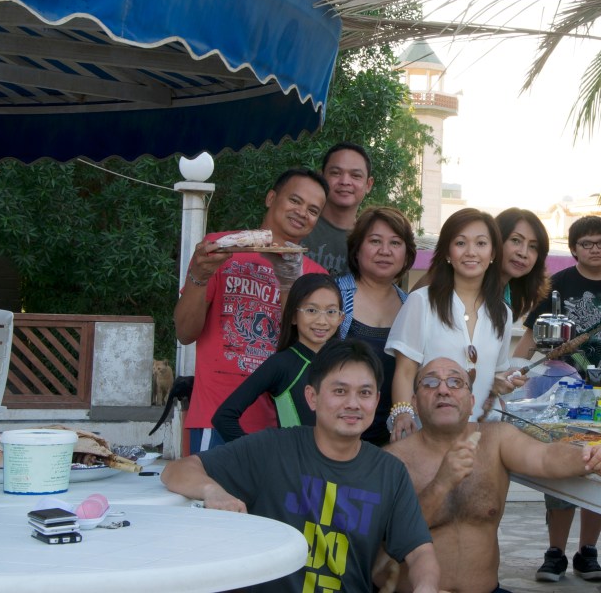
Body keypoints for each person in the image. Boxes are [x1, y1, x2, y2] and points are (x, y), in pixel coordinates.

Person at [161, 340, 442, 593]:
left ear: (377, 400)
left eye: (365, 393)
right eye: (340, 391)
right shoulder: (272, 448)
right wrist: (213, 491)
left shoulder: (389, 472)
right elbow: (177, 470)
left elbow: (419, 552)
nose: (353, 403)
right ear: (312, 397)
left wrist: (426, 586)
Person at [381, 357, 601, 593]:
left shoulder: (496, 439)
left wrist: (591, 455)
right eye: (430, 383)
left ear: (472, 400)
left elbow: (545, 457)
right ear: (414, 400)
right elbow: (385, 551)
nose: (443, 390)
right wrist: (440, 485)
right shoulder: (392, 461)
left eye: (455, 382)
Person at [513, 215, 601, 584]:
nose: (595, 249)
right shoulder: (559, 283)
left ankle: (588, 552)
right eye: (587, 244)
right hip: (558, 396)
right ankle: (555, 552)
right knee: (561, 472)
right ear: (573, 249)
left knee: (600, 472)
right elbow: (530, 337)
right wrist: (516, 373)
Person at [175, 168, 329, 453]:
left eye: (313, 210)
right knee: (213, 497)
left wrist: (288, 287)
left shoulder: (315, 277)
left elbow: (310, 356)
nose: (302, 212)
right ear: (271, 197)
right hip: (215, 415)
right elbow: (185, 333)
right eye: (295, 200)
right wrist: (198, 276)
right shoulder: (221, 249)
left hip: (283, 424)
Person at [385, 208, 513, 440]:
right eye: (461, 243)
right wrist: (403, 414)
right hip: (426, 433)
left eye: (481, 243)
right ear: (447, 252)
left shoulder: (502, 313)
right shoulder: (421, 302)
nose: (471, 252)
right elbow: (405, 371)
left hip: (481, 435)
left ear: (493, 253)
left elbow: (496, 374)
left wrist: (507, 381)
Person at [211, 273, 343, 442]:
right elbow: (223, 417)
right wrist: (260, 456)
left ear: (341, 318)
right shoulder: (281, 364)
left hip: (337, 467)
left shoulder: (346, 365)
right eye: (311, 310)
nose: (322, 321)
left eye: (331, 311)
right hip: (293, 467)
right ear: (293, 316)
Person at [336, 206, 416, 446]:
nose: (385, 251)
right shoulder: (333, 296)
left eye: (395, 243)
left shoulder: (413, 306)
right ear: (357, 249)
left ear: (406, 254)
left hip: (393, 442)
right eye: (375, 241)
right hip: (335, 437)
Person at [302, 142, 375, 277]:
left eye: (356, 175)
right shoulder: (298, 225)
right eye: (335, 173)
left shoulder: (371, 240)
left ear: (368, 185)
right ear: (321, 177)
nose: (345, 181)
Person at [495, 207, 551, 319]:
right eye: (516, 240)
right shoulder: (472, 291)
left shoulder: (508, 293)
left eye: (533, 246)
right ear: (496, 239)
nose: (523, 253)